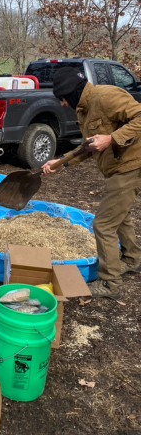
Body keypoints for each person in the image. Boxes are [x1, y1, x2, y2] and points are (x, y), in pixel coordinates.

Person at [42, 67, 141, 300]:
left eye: (63, 99)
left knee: (103, 225)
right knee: (120, 215)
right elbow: (89, 146)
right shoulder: (85, 108)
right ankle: (132, 259)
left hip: (131, 165)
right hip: (119, 168)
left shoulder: (105, 96)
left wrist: (112, 138)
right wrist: (60, 163)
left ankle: (110, 283)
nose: (63, 104)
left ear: (73, 92)